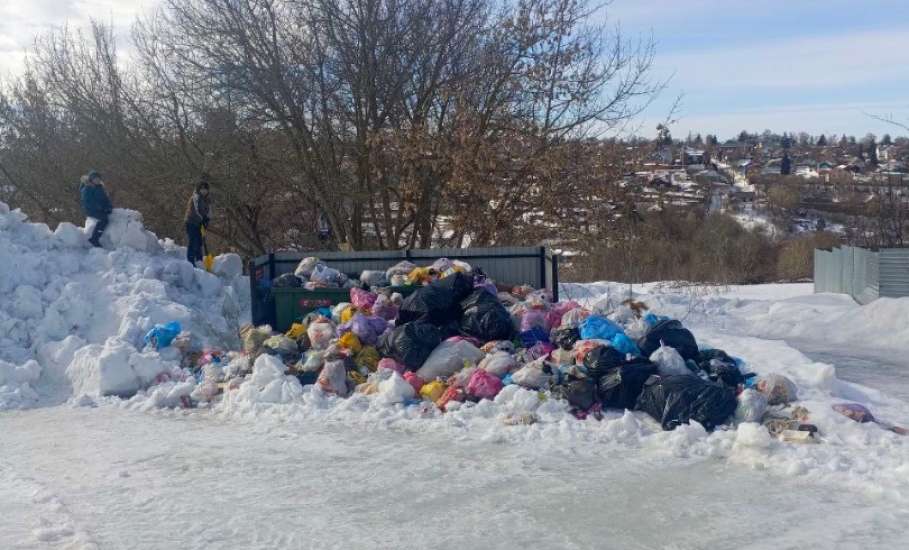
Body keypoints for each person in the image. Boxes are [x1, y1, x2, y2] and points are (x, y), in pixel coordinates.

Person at [79, 170, 113, 247]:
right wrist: (100, 207)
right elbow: (88, 202)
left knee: (111, 216)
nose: (97, 180)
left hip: (100, 209)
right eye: (95, 179)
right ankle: (94, 239)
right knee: (104, 220)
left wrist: (109, 207)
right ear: (91, 179)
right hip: (91, 210)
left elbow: (105, 199)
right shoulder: (87, 188)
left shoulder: (100, 187)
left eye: (99, 179)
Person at [185, 180, 211, 265]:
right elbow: (195, 211)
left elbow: (209, 211)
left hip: (200, 223)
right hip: (191, 222)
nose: (204, 191)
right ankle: (190, 261)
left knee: (199, 242)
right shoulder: (195, 197)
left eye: (205, 189)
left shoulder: (207, 199)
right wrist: (202, 219)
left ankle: (199, 261)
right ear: (199, 189)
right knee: (193, 241)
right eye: (202, 189)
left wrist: (207, 219)